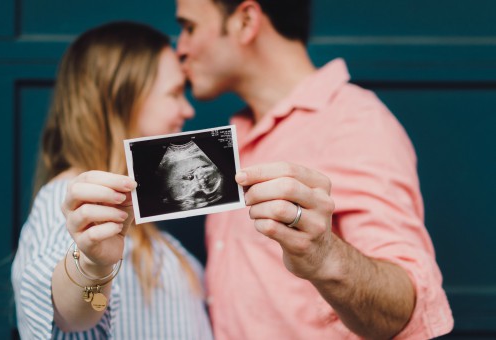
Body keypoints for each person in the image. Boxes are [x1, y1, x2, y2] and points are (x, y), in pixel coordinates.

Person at [175, 0, 454, 339]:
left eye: (189, 27)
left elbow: (403, 312)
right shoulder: (236, 137)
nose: (181, 49)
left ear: (246, 20)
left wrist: (323, 256)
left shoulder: (354, 123)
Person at [11, 21, 213, 339]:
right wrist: (93, 265)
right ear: (122, 99)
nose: (187, 110)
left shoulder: (138, 219)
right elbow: (68, 313)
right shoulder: (71, 200)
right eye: (174, 93)